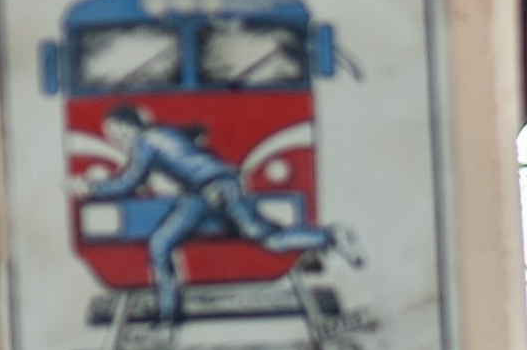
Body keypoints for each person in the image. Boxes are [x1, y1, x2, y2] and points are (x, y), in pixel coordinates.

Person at [76, 102, 345, 326]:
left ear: (127, 126)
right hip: (209, 189)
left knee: (166, 243)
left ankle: (170, 313)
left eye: (113, 131)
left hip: (214, 190)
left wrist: (89, 186)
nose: (112, 138)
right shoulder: (162, 133)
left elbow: (128, 182)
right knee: (261, 237)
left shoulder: (145, 143)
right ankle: (327, 237)